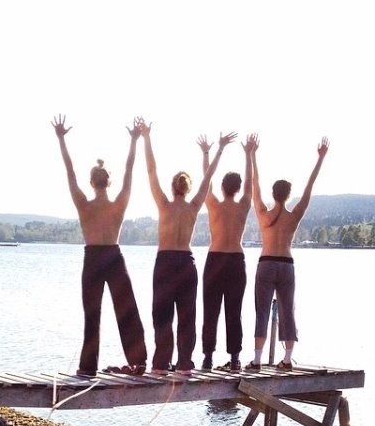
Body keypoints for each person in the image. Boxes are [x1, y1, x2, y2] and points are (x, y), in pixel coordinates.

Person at [52, 114, 147, 378]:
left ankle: (87, 367)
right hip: (114, 257)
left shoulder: (83, 204)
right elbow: (129, 171)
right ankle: (138, 362)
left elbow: (69, 171)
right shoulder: (119, 204)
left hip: (93, 258)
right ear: (108, 182)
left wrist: (61, 139)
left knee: (92, 315)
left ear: (92, 182)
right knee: (126, 309)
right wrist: (134, 141)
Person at [140, 120, 236, 375]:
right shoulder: (194, 206)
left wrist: (146, 138)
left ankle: (160, 365)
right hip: (186, 262)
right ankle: (184, 364)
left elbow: (151, 171)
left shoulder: (164, 204)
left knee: (162, 315)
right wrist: (219, 149)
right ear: (188, 188)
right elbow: (209, 177)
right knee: (186, 315)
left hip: (165, 260)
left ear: (173, 187)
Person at [246, 136, 330, 370]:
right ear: (287, 194)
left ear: (274, 194)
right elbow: (309, 188)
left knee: (262, 310)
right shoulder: (294, 216)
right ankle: (286, 358)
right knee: (288, 310)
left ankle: (256, 359)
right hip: (286, 264)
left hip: (266, 264)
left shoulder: (263, 214)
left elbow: (255, 184)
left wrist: (252, 155)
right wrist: (320, 159)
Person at [198, 133, 257, 372]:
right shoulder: (244, 205)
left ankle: (208, 358)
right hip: (235, 260)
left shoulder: (213, 204)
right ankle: (234, 358)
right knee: (234, 311)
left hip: (216, 259)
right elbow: (251, 184)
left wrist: (209, 152)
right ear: (238, 188)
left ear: (223, 187)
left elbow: (206, 179)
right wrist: (249, 154)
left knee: (211, 311)